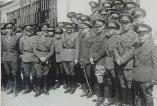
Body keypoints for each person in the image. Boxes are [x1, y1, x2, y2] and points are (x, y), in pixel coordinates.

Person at [117, 23, 157, 106]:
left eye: (143, 34)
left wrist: (153, 80)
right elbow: (129, 54)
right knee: (138, 97)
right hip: (136, 77)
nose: (140, 36)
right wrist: (120, 60)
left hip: (146, 79)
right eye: (139, 34)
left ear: (148, 35)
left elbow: (155, 65)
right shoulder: (137, 46)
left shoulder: (153, 47)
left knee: (147, 97)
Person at [75, 21, 97, 98]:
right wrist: (78, 57)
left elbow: (93, 48)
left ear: (88, 28)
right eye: (81, 28)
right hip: (83, 59)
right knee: (84, 75)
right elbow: (80, 48)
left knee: (90, 75)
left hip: (90, 59)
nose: (82, 30)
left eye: (84, 28)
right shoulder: (81, 37)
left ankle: (91, 90)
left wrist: (91, 58)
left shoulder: (93, 36)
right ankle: (87, 90)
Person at [33, 23, 55, 97]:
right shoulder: (36, 38)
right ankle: (38, 89)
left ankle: (45, 88)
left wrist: (46, 58)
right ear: (41, 30)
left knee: (46, 74)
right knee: (39, 74)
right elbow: (34, 49)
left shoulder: (51, 39)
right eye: (43, 30)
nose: (45, 31)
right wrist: (40, 57)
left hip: (47, 58)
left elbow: (52, 51)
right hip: (38, 58)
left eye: (46, 30)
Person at [90, 19, 107, 106]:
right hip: (95, 60)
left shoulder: (104, 35)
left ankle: (102, 97)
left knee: (100, 78)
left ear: (104, 25)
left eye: (99, 26)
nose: (98, 27)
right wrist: (91, 57)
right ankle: (100, 96)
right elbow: (92, 47)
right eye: (96, 26)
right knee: (98, 77)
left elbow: (103, 50)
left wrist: (94, 58)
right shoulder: (97, 35)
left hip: (101, 60)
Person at [1, 23, 19, 97]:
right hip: (5, 58)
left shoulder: (16, 38)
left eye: (11, 29)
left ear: (13, 29)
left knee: (14, 74)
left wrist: (16, 57)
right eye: (8, 29)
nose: (9, 30)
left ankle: (15, 89)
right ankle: (11, 87)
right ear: (6, 30)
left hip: (13, 57)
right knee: (8, 74)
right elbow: (1, 49)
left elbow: (17, 49)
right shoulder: (2, 38)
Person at [61, 23, 78, 94]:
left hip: (72, 54)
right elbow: (60, 47)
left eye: (70, 28)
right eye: (67, 28)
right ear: (65, 28)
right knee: (67, 72)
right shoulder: (62, 35)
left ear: (72, 28)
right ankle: (68, 86)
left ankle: (73, 87)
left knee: (72, 71)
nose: (68, 29)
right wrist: (61, 57)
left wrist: (76, 57)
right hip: (64, 56)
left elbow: (77, 47)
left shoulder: (75, 35)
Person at [19, 25, 36, 94]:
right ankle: (27, 87)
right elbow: (20, 48)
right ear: (25, 31)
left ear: (32, 30)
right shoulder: (22, 38)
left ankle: (35, 86)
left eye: (30, 30)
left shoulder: (35, 37)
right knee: (26, 73)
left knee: (34, 73)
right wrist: (24, 53)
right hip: (25, 57)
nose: (29, 31)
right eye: (27, 30)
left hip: (34, 57)